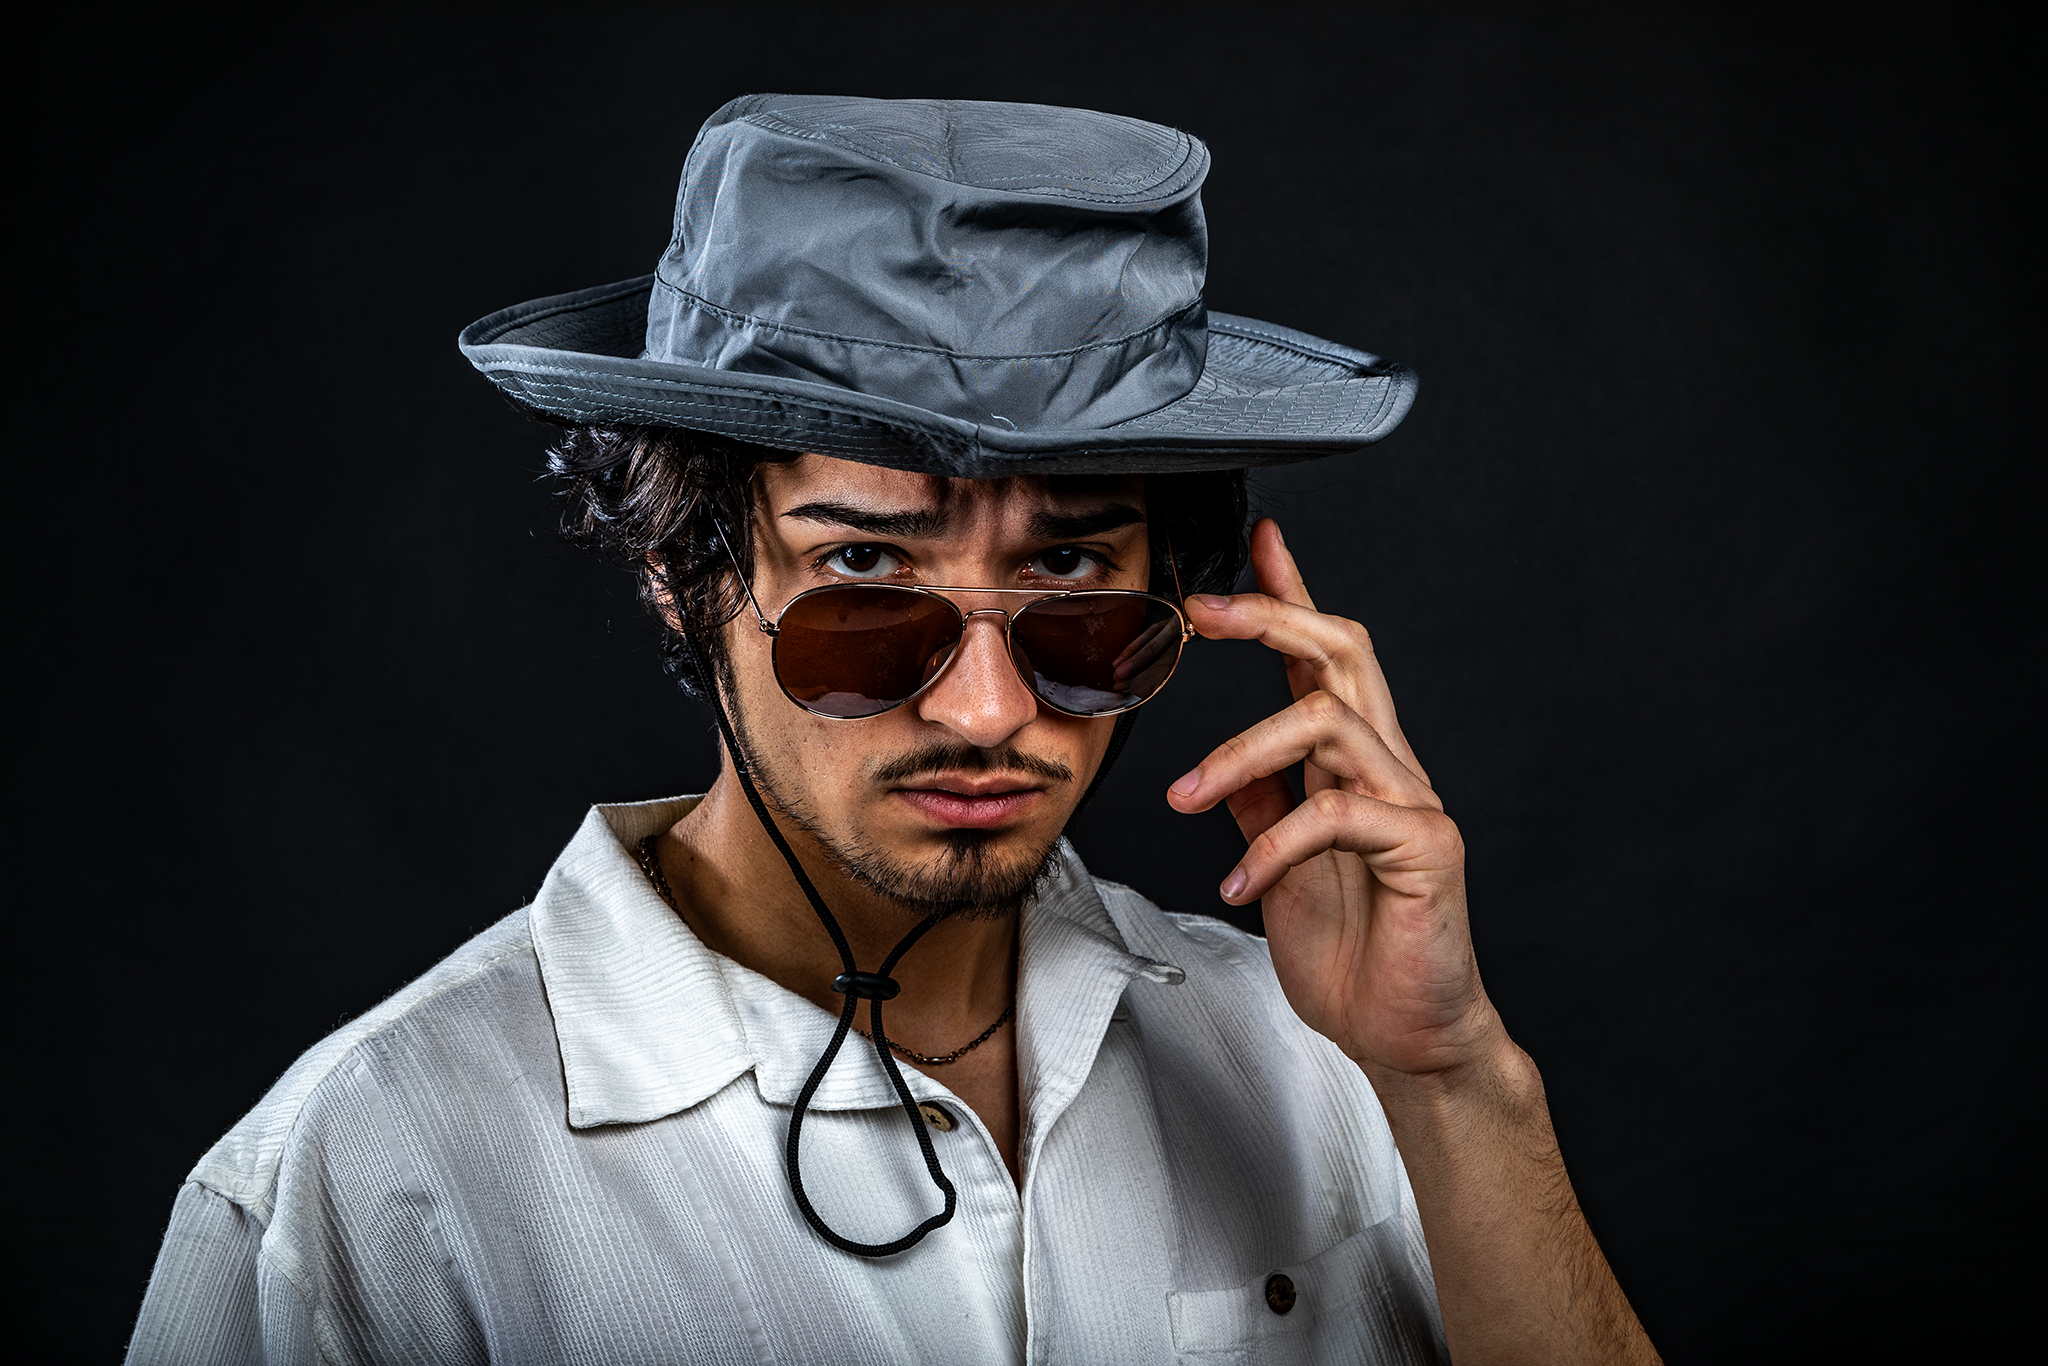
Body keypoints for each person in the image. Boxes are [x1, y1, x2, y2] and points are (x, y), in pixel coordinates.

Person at [129, 95, 1659, 1364]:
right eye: (866, 575)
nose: (986, 710)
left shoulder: (1328, 1063)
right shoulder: (371, 1183)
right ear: (683, 569)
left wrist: (1454, 1080)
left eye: (1071, 581)